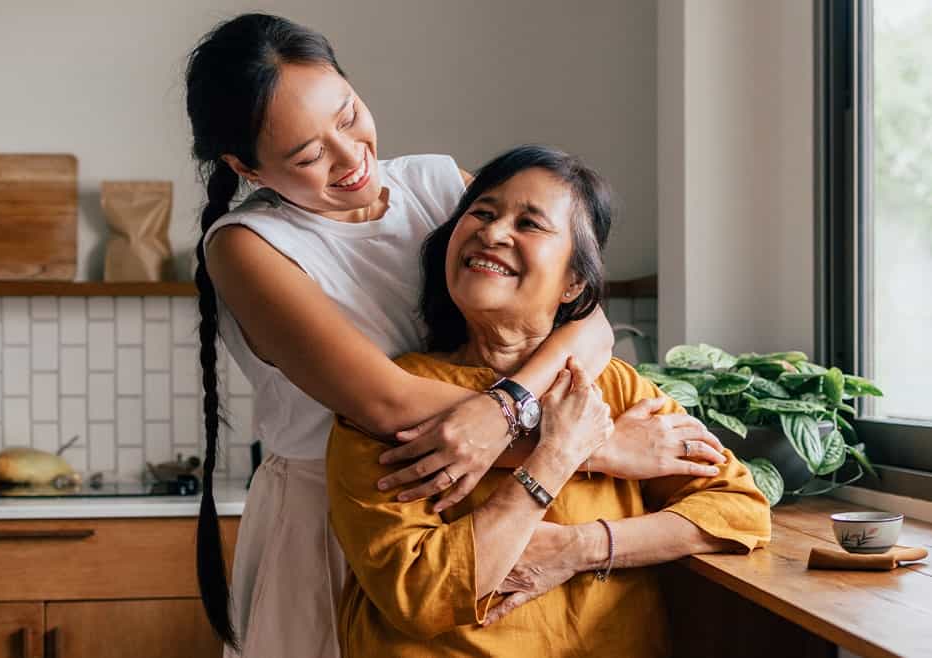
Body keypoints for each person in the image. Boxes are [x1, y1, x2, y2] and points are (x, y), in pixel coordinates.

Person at [185, 14, 729, 656]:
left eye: (348, 114)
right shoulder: (247, 247)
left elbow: (586, 319)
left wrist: (510, 409)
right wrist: (588, 448)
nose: (350, 155)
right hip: (350, 512)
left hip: (479, 504)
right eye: (307, 155)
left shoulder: (441, 184)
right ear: (244, 165)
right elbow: (385, 405)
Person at [326, 145, 773, 657]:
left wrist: (579, 547)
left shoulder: (614, 388)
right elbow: (420, 592)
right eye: (483, 213)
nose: (493, 233)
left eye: (531, 224)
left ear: (574, 282)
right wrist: (556, 456)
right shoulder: (390, 401)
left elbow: (739, 509)